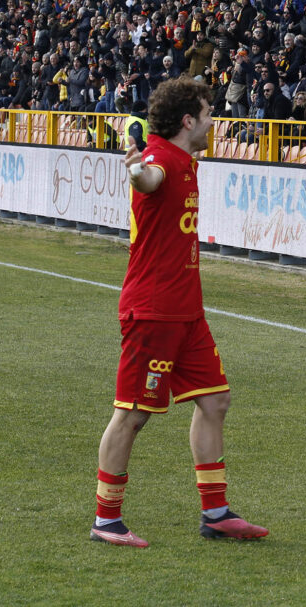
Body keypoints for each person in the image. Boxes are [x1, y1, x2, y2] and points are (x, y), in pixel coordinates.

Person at [90, 76, 269, 549]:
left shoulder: (185, 160)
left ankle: (216, 514)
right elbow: (147, 178)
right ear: (188, 121)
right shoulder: (160, 159)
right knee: (132, 414)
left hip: (187, 310)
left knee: (215, 401)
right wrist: (134, 171)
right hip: (153, 311)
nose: (214, 121)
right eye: (209, 114)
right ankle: (106, 519)